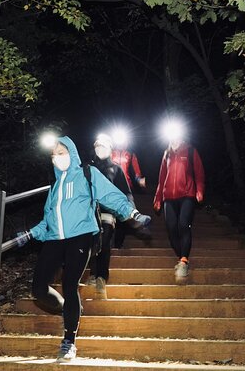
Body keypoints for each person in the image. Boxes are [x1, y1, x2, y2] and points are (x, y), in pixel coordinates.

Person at [15, 136, 151, 362]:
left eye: (62, 152)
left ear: (71, 152)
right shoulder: (55, 186)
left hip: (81, 237)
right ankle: (66, 309)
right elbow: (47, 220)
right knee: (38, 288)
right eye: (54, 155)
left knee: (70, 284)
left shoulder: (87, 174)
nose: (58, 157)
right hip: (55, 239)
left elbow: (110, 195)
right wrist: (30, 234)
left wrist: (131, 213)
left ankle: (69, 341)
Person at [88, 134, 149, 299]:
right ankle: (93, 273)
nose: (100, 148)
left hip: (108, 211)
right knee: (92, 242)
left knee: (105, 239)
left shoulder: (116, 169)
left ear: (110, 148)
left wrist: (132, 212)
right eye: (97, 145)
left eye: (104, 145)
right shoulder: (86, 168)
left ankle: (101, 277)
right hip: (89, 212)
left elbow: (126, 193)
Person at [153, 135, 205, 281]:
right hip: (168, 197)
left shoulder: (190, 151)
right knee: (171, 228)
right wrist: (158, 198)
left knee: (183, 225)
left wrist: (199, 190)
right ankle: (181, 256)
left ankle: (183, 261)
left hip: (187, 194)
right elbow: (162, 177)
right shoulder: (166, 154)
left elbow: (199, 173)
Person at [111, 139, 146, 249]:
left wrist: (139, 179)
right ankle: (108, 244)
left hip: (125, 188)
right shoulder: (110, 153)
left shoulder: (130, 154)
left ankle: (118, 244)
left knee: (123, 217)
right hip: (111, 188)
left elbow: (136, 171)